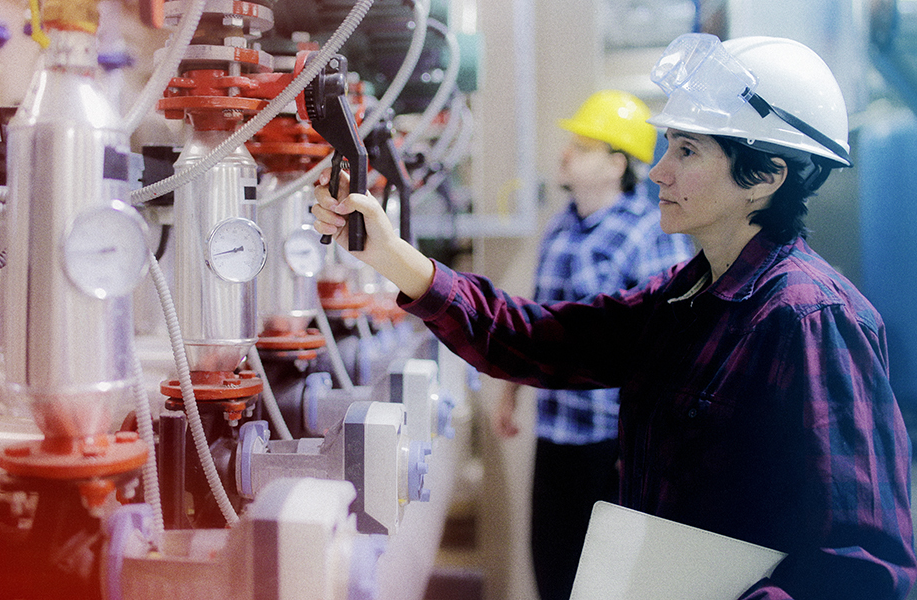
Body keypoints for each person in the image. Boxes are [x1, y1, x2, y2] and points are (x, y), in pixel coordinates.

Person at [313, 34, 917, 600]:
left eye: (687, 150)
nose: (658, 171)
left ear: (766, 176)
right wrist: (389, 254)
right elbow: (538, 338)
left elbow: (863, 564)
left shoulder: (810, 319)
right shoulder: (684, 297)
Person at [491, 89, 695, 600]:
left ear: (615, 164)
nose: (566, 154)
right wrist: (513, 389)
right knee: (552, 571)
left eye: (582, 147)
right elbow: (541, 320)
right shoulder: (561, 226)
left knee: (605, 583)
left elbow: (665, 345)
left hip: (613, 446)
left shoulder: (650, 233)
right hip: (556, 434)